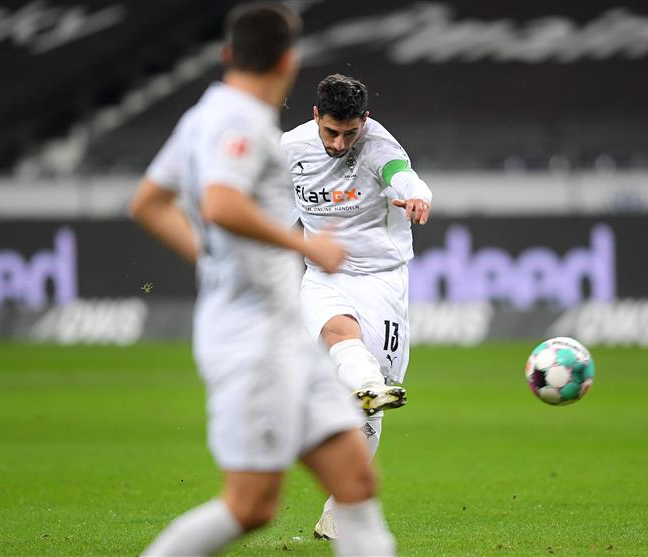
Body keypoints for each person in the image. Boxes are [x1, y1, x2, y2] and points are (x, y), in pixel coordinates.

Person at [129, 6, 395, 556]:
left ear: (228, 55)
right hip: (252, 343)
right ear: (288, 62)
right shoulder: (244, 122)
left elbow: (149, 203)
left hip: (278, 334)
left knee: (355, 484)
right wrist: (306, 245)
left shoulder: (202, 115)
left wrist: (213, 263)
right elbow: (221, 202)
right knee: (250, 507)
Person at [281, 73, 432, 540]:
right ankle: (367, 383)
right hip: (324, 274)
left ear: (364, 122)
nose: (339, 142)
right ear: (315, 117)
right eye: (331, 132)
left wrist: (417, 196)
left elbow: (402, 177)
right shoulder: (290, 149)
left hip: (381, 280)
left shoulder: (380, 147)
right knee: (336, 334)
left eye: (350, 132)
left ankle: (339, 505)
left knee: (369, 409)